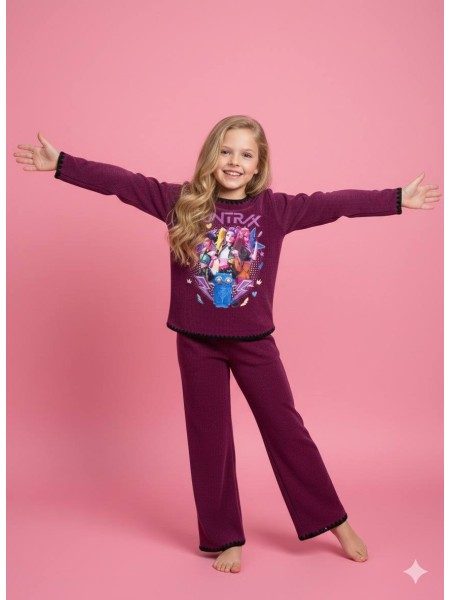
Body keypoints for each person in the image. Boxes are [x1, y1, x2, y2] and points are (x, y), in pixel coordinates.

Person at [13, 115, 441, 574]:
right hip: (196, 343)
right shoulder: (181, 202)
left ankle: (335, 522)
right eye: (226, 150)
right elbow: (123, 183)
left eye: (246, 154)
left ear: (258, 165)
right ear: (212, 155)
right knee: (209, 442)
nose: (235, 161)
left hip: (254, 343)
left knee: (287, 431)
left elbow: (334, 204)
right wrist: (62, 163)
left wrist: (396, 198)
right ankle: (226, 538)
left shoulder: (276, 210)